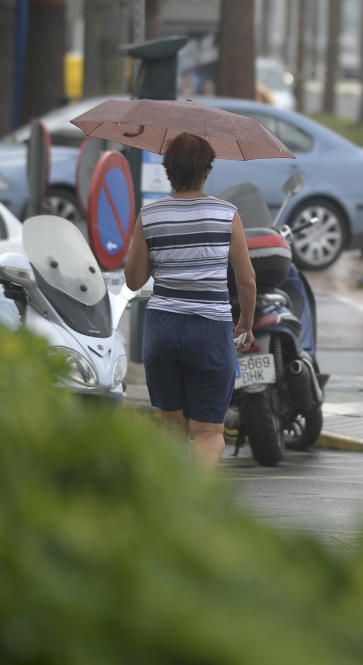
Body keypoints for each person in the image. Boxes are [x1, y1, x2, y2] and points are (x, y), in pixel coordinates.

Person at [124, 132, 257, 469]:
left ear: (169, 170)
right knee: (208, 430)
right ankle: (192, 505)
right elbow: (246, 279)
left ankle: (169, 506)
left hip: (163, 329)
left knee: (172, 427)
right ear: (207, 171)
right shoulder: (226, 215)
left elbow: (133, 279)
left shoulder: (150, 216)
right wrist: (246, 323)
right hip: (210, 330)